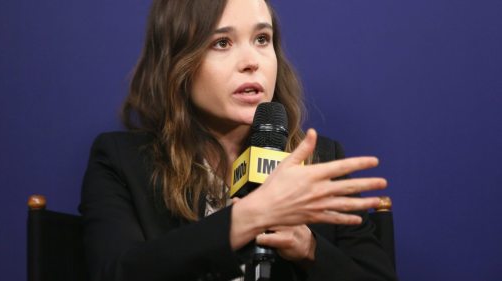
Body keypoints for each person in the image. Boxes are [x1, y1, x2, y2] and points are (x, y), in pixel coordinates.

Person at [79, 0, 398, 280]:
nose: (251, 61)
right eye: (222, 43)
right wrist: (245, 219)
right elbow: (117, 273)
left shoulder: (318, 160)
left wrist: (309, 248)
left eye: (262, 39)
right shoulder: (122, 161)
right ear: (178, 63)